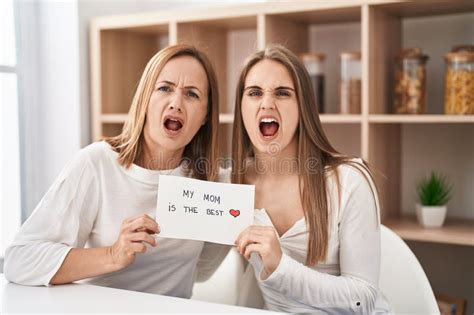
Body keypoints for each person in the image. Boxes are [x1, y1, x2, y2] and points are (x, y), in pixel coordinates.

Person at [4, 44, 230, 298]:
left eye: (192, 94)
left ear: (206, 115)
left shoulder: (213, 182)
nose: (176, 103)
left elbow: (203, 269)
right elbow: (18, 260)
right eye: (165, 88)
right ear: (145, 98)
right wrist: (113, 254)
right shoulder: (96, 163)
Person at [233, 45, 389, 314]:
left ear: (303, 106)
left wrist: (281, 266)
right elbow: (200, 265)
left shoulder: (349, 180)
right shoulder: (231, 183)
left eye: (282, 93)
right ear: (242, 106)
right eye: (254, 93)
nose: (266, 103)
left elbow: (363, 299)